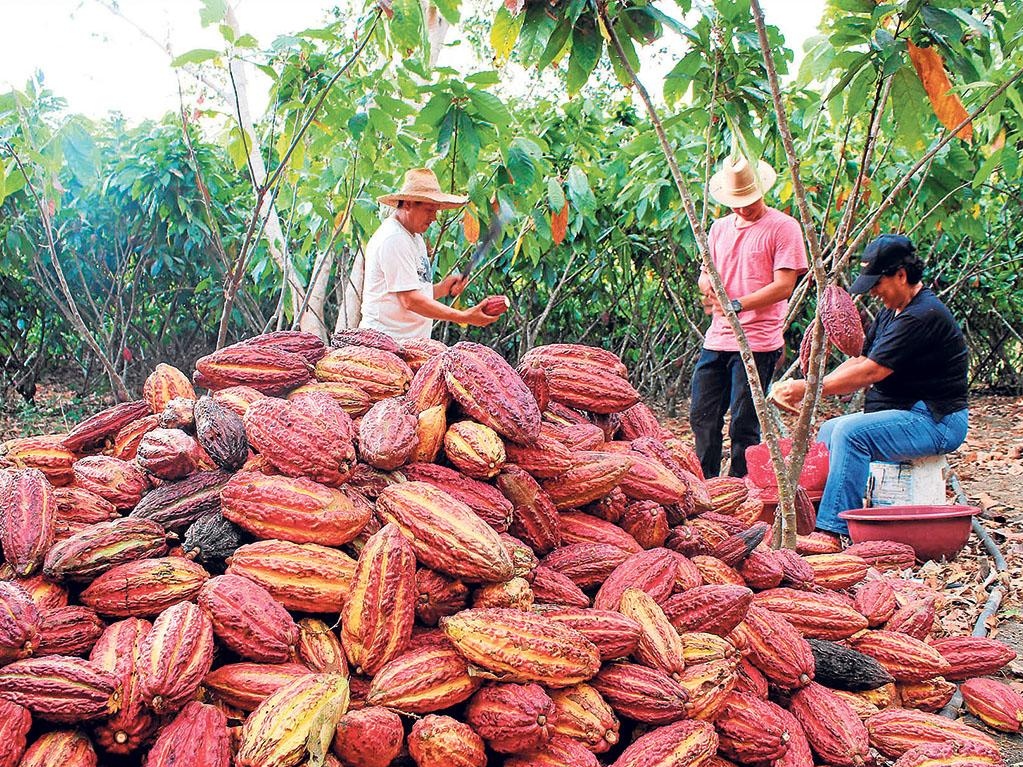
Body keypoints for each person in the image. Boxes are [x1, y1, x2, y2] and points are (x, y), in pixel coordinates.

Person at [769, 234, 969, 536]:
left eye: (878, 283)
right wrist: (811, 384)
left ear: (901, 275)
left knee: (851, 435)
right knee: (831, 430)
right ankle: (811, 518)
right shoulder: (893, 312)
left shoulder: (922, 316)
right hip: (907, 414)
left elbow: (871, 372)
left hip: (936, 421)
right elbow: (862, 359)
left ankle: (832, 532)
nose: (874, 292)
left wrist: (809, 390)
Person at [690, 155, 809, 478]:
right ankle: (708, 487)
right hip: (718, 338)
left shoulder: (784, 227)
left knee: (744, 424)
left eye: (748, 201)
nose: (742, 208)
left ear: (761, 191)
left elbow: (784, 285)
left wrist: (738, 304)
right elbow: (705, 274)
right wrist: (709, 289)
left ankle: (741, 491)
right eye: (736, 203)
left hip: (758, 340)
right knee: (702, 416)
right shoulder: (718, 229)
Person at [359, 167, 500, 340]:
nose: (434, 218)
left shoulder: (414, 236)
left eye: (436, 210)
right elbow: (410, 300)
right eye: (429, 210)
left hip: (407, 345)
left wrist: (442, 288)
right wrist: (464, 317)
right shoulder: (394, 238)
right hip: (384, 343)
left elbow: (413, 292)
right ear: (408, 204)